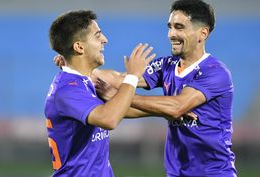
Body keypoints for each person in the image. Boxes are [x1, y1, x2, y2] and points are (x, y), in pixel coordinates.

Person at [85, 0, 237, 176]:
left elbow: (177, 106)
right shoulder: (166, 65)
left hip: (213, 173)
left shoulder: (215, 72)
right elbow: (121, 79)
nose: (171, 34)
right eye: (170, 26)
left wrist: (117, 96)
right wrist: (75, 65)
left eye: (179, 27)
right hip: (176, 173)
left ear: (202, 33)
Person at [44, 10, 156, 177]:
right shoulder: (68, 89)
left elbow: (120, 108)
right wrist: (132, 76)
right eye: (97, 36)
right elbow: (109, 118)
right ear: (79, 46)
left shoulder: (83, 82)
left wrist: (169, 112)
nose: (105, 40)